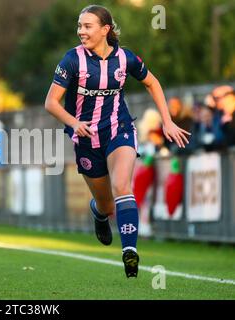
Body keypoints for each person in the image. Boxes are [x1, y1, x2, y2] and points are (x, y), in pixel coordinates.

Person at [44, 5, 190, 278]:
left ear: (105, 30)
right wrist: (74, 122)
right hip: (86, 137)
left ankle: (130, 251)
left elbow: (152, 83)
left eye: (87, 26)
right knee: (107, 205)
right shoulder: (71, 60)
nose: (81, 31)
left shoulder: (125, 59)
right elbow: (51, 102)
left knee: (122, 185)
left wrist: (167, 121)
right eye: (79, 26)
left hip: (119, 128)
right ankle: (99, 214)